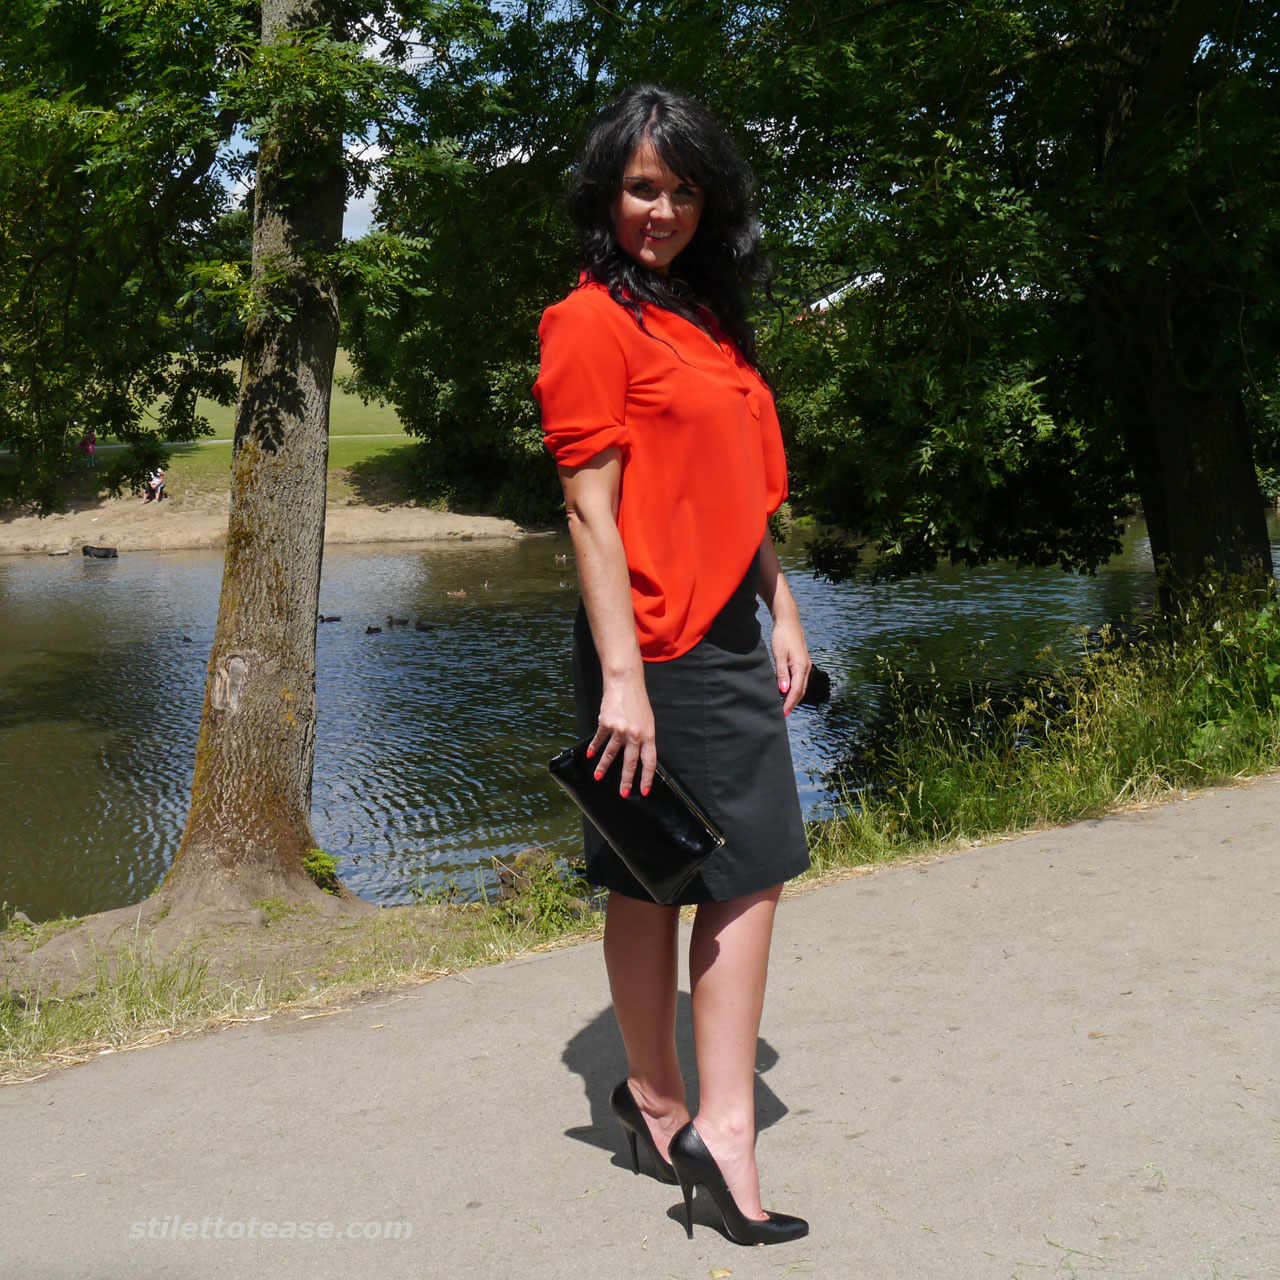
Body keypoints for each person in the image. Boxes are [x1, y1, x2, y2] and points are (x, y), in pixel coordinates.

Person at [534, 84, 811, 1246]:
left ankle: (653, 1099)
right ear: (606, 194)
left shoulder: (701, 322)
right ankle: (714, 1125)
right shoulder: (588, 321)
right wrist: (623, 679)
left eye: (685, 190)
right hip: (653, 643)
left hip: (726, 629)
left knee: (653, 873)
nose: (663, 210)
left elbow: (735, 492)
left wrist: (780, 603)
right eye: (643, 187)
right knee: (736, 873)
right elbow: (588, 511)